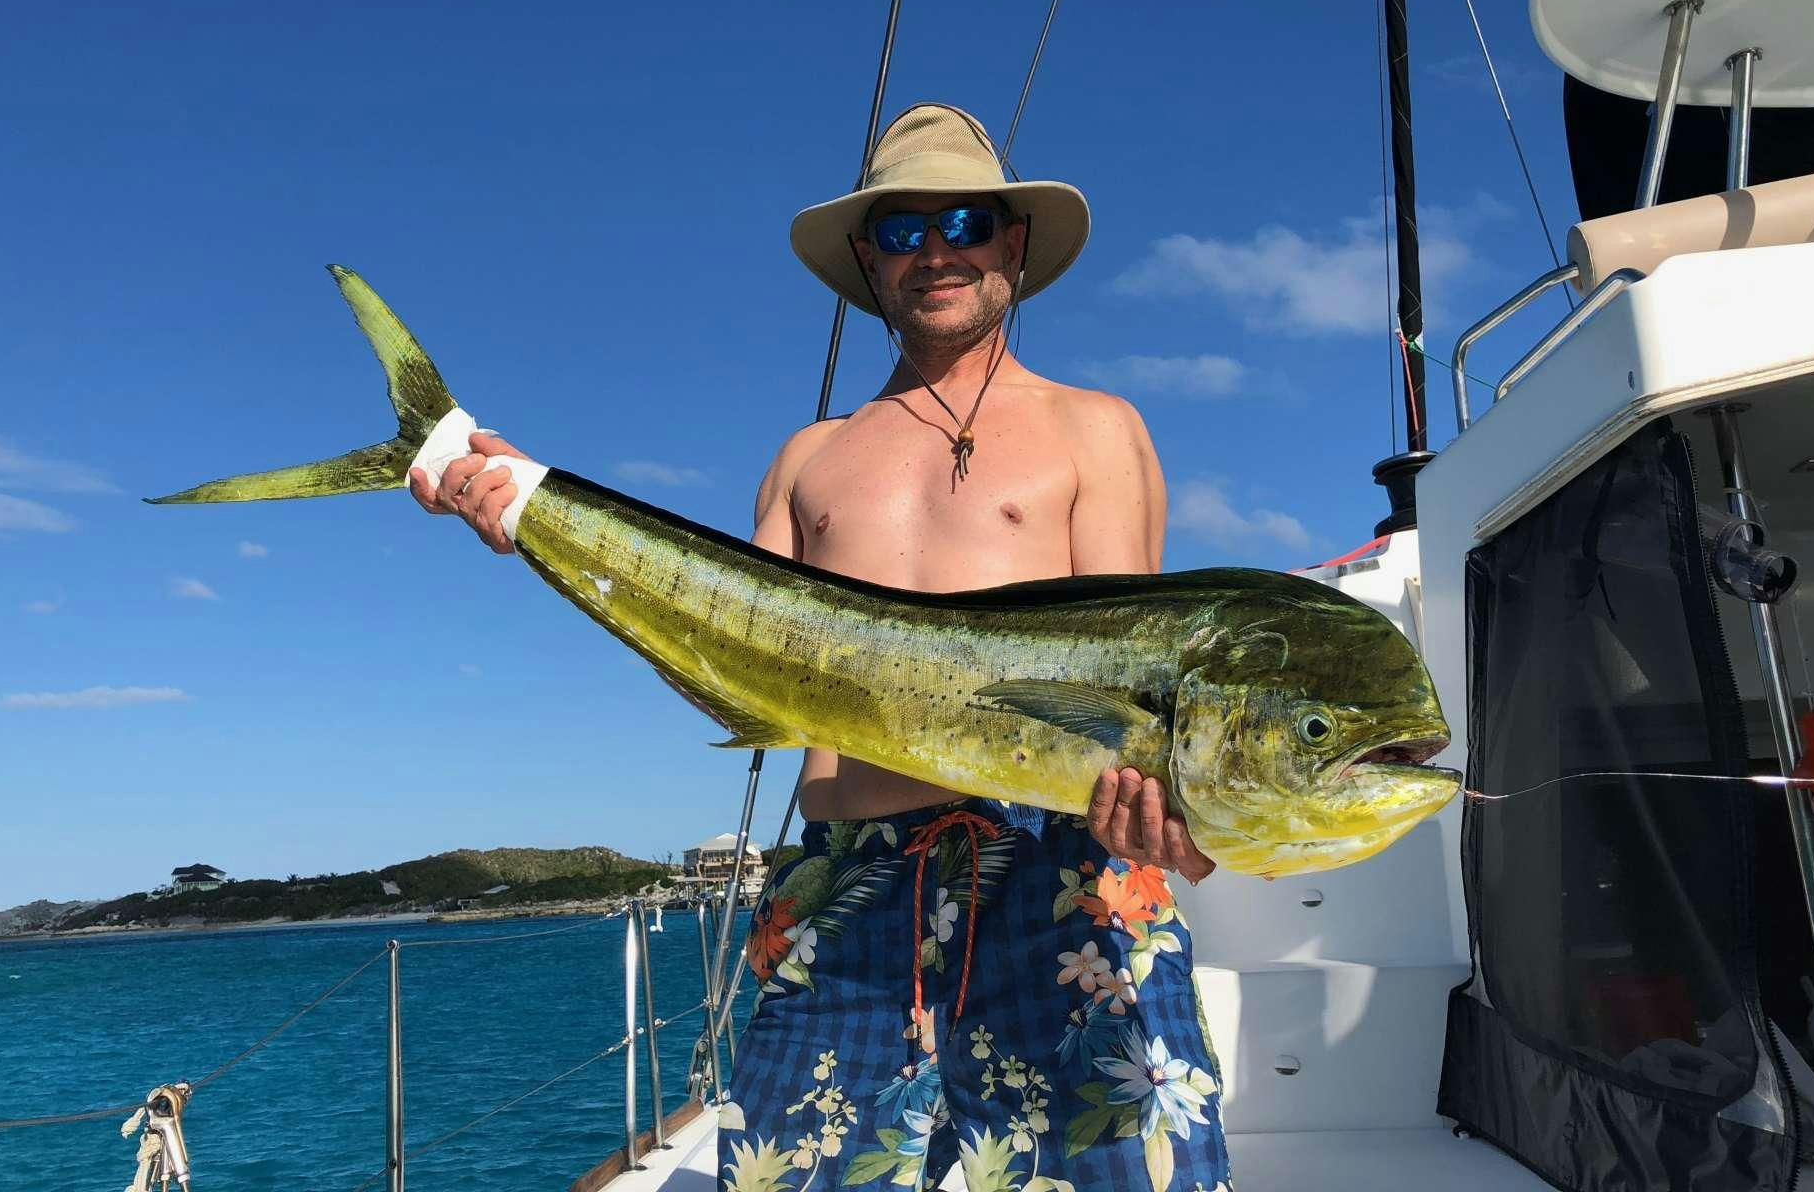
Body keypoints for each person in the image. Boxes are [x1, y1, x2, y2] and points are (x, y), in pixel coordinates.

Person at [410, 103, 1230, 1192]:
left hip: (1061, 872)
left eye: (965, 221)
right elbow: (727, 666)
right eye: (901, 229)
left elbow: (1133, 680)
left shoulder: (1097, 426)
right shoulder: (808, 458)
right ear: (867, 260)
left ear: (1014, 242)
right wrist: (536, 512)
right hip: (848, 885)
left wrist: (1172, 820)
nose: (935, 249)